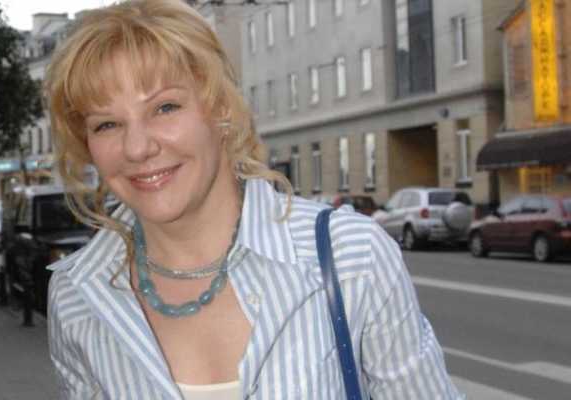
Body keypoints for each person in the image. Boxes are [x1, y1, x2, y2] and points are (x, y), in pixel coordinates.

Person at [45, 1, 463, 399]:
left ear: (220, 109)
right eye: (107, 124)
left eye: (165, 107)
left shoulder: (349, 256)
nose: (137, 148)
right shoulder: (77, 295)